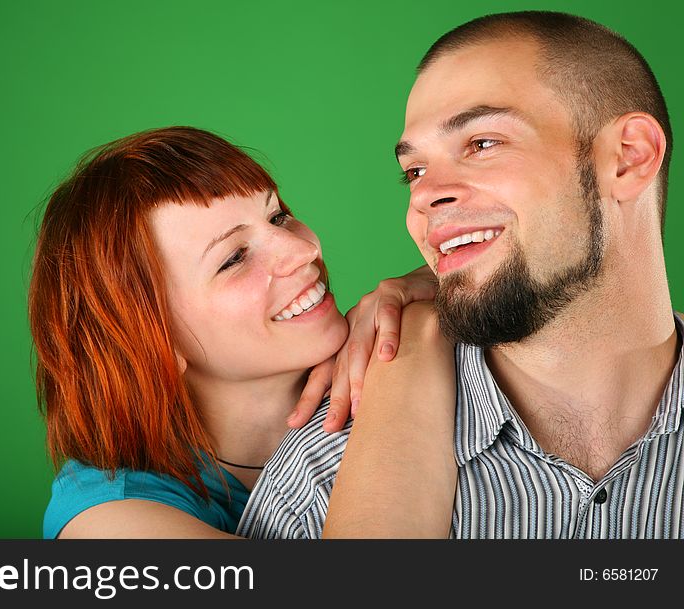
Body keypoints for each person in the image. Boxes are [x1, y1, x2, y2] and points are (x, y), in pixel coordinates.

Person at [238, 11, 683, 539]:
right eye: (414, 172)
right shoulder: (322, 480)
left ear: (629, 158)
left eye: (482, 144)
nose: (424, 197)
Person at [28, 126, 447, 538]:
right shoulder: (110, 521)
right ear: (150, 342)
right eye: (233, 259)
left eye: (278, 216)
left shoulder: (389, 339)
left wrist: (440, 282)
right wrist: (416, 338)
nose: (305, 250)